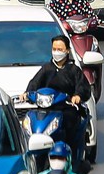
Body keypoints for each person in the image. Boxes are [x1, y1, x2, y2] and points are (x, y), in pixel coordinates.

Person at [23, 34, 93, 163]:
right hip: (46, 109)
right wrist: (26, 94)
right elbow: (34, 84)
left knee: (71, 121)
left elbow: (83, 87)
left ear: (67, 51)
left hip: (66, 108)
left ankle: (71, 154)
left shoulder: (73, 70)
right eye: (54, 49)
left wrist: (77, 96)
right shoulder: (46, 69)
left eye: (60, 49)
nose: (56, 52)